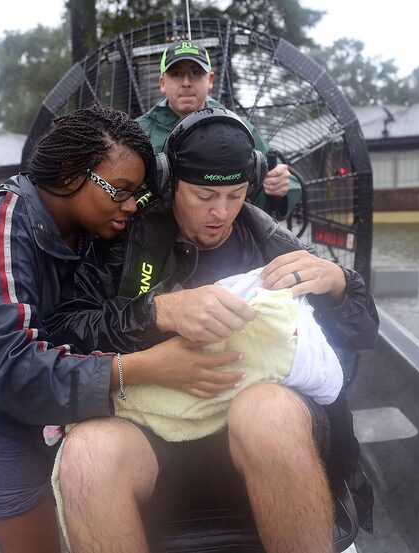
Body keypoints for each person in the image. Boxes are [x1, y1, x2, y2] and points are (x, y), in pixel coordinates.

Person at [45, 107, 379, 553]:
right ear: (169, 182)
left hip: (252, 439)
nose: (221, 213)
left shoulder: (270, 241)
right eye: (203, 196)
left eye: (237, 195)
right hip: (153, 441)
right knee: (86, 453)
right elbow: (63, 330)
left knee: (269, 412)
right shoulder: (122, 241)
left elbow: (360, 335)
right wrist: (155, 313)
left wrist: (340, 285)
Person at [0, 104, 242, 553]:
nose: (133, 206)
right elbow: (12, 370)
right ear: (73, 173)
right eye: (121, 191)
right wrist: (144, 367)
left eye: (138, 194)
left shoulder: (96, 222)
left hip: (68, 389)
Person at [137, 39, 302, 219]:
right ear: (162, 82)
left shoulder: (240, 128)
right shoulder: (138, 132)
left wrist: (278, 186)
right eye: (176, 74)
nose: (186, 82)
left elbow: (269, 187)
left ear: (210, 80)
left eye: (196, 73)